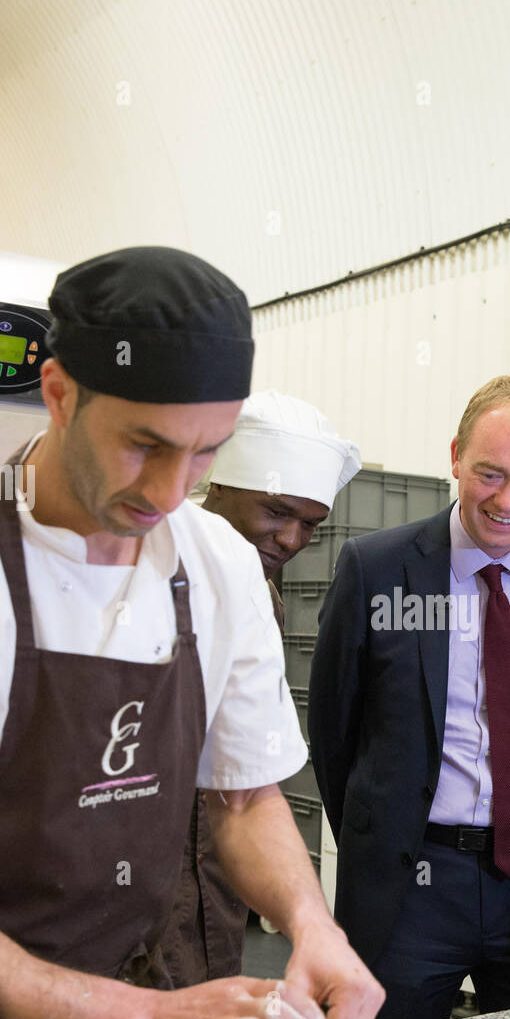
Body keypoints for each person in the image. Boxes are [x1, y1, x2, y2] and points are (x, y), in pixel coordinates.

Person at [0, 247, 382, 1019]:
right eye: (144, 445)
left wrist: (310, 924)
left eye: (205, 454)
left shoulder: (218, 564)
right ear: (59, 394)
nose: (172, 490)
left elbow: (243, 797)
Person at [309, 374, 510, 1019]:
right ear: (455, 457)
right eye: (489, 474)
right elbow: (334, 732)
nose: (507, 501)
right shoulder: (376, 569)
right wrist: (378, 835)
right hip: (408, 882)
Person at [161, 389, 362, 986]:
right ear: (216, 484)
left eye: (310, 525)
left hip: (217, 879)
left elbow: (245, 787)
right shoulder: (137, 566)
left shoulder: (260, 599)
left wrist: (310, 924)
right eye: (276, 512)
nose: (292, 541)